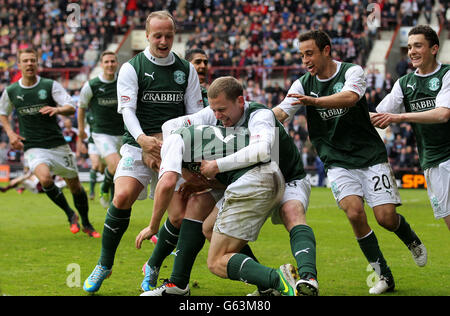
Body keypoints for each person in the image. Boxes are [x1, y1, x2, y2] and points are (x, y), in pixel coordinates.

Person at [272, 30, 426, 295]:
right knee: (354, 212)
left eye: (309, 53)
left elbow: (350, 98)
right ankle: (384, 276)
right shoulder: (301, 84)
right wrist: (255, 120)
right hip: (336, 160)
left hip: (369, 155)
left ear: (327, 50)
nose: (305, 60)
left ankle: (410, 238)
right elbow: (282, 112)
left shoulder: (352, 72)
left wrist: (316, 101)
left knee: (386, 218)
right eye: (301, 55)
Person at [140, 76, 318, 296]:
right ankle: (180, 284)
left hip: (284, 176)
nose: (217, 116)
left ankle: (307, 278)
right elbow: (170, 125)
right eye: (214, 110)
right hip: (243, 177)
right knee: (202, 216)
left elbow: (261, 151)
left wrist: (214, 165)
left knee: (291, 214)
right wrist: (184, 163)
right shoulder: (212, 114)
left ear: (241, 102)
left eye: (222, 109)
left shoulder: (259, 115)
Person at [83, 10, 204, 293]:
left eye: (169, 35)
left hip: (174, 147)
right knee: (123, 195)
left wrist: (170, 140)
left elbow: (196, 114)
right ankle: (104, 263)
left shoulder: (187, 70)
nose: (163, 41)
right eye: (157, 35)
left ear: (175, 36)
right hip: (137, 144)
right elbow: (127, 110)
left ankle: (152, 266)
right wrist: (143, 140)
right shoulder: (131, 67)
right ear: (147, 36)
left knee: (177, 216)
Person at [137, 125, 298, 296]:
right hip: (264, 175)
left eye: (155, 165)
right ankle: (265, 287)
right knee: (203, 216)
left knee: (216, 261)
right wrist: (206, 183)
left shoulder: (172, 142)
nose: (158, 169)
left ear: (158, 148)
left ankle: (277, 279)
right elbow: (229, 171)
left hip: (257, 180)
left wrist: (153, 227)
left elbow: (167, 183)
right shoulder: (198, 141)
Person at [138, 47, 221, 293]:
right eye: (197, 61)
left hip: (209, 164)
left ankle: (174, 276)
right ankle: (154, 266)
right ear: (186, 67)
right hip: (182, 162)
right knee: (177, 217)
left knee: (197, 220)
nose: (203, 66)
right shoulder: (178, 95)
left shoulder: (215, 95)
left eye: (206, 61)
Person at [0, 48, 99, 238]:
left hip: (57, 144)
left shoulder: (49, 85)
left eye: (33, 60)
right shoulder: (12, 91)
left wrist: (57, 110)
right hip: (33, 146)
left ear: (37, 64)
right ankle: (70, 214)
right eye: (26, 61)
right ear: (19, 65)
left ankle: (86, 223)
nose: (29, 64)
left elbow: (71, 107)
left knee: (75, 186)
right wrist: (11, 133)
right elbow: (3, 114)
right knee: (45, 179)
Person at [371, 25, 450, 230]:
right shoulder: (405, 83)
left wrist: (399, 116)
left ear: (434, 49)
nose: (412, 52)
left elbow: (443, 114)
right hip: (432, 161)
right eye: (409, 47)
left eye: (418, 46)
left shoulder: (447, 75)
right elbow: (379, 115)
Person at [78, 51, 124, 208]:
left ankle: (107, 190)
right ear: (101, 65)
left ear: (117, 63)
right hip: (102, 134)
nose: (110, 65)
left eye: (113, 61)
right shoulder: (92, 85)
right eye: (107, 62)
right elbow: (82, 107)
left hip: (122, 133)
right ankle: (105, 189)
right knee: (116, 165)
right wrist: (81, 129)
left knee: (116, 168)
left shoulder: (123, 83)